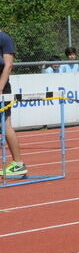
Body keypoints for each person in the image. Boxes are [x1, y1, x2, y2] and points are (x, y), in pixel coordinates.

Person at [0, 29, 27, 177]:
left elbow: (8, 65)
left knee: (5, 125)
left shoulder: (4, 38)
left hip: (2, 88)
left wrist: (0, 88)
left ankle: (18, 164)